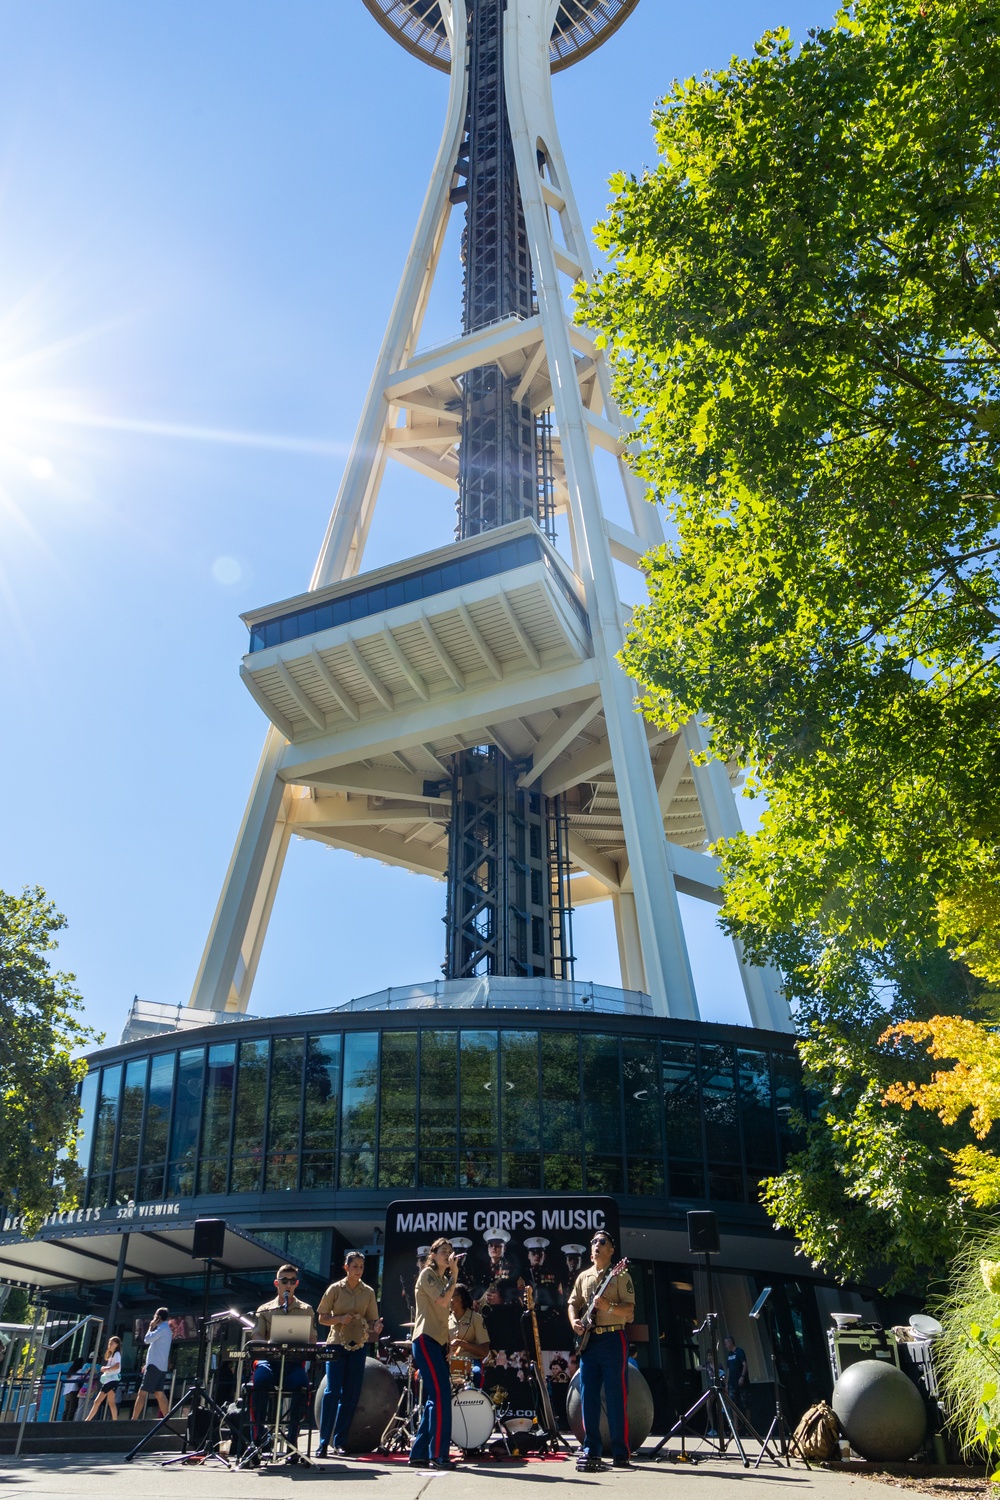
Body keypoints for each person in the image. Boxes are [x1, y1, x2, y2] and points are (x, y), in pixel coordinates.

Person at [568, 1232, 634, 1473]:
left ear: (612, 1250)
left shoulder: (620, 1275)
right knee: (589, 1396)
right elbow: (572, 1303)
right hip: (589, 1342)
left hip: (613, 1338)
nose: (596, 1245)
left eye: (602, 1242)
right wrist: (574, 1321)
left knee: (617, 1395)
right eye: (594, 1242)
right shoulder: (583, 1276)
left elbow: (630, 1312)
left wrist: (610, 1307)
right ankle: (591, 1448)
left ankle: (620, 1452)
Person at [316, 1252, 382, 1458]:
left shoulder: (368, 1292)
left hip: (358, 1345)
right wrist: (339, 1318)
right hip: (336, 1345)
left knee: (351, 1395)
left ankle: (340, 1441)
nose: (358, 1270)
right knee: (332, 1392)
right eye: (355, 1266)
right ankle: (323, 1442)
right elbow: (322, 1318)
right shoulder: (335, 1289)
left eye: (361, 1267)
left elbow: (372, 1320)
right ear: (346, 1267)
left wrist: (376, 1326)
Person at [250, 1263, 317, 1462]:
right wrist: (271, 1344)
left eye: (292, 1281)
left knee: (301, 1385)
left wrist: (301, 1345)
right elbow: (256, 1338)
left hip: (293, 1363)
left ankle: (292, 1441)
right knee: (259, 1384)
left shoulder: (306, 1309)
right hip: (269, 1362)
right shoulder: (264, 1309)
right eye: (284, 1281)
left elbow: (312, 1340)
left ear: (296, 1284)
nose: (288, 1284)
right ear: (276, 1283)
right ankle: (258, 1440)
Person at [409, 1235, 460, 1469]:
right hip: (425, 1339)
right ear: (433, 1255)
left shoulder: (442, 1278)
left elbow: (444, 1315)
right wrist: (455, 1275)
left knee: (434, 1398)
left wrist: (448, 1343)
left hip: (438, 1342)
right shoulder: (427, 1274)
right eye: (443, 1251)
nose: (448, 1254)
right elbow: (441, 1302)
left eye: (450, 1251)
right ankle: (439, 1455)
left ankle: (419, 1453)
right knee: (441, 1396)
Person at [132, 1307, 172, 1420]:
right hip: (161, 1366)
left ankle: (133, 1419)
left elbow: (147, 1339)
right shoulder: (167, 1329)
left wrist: (150, 1327)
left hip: (154, 1366)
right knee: (159, 1393)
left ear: (158, 1317)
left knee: (142, 1392)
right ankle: (166, 1418)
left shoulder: (160, 1329)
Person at [449, 1284, 489, 1389]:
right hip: (450, 1362)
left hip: (470, 1362)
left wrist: (462, 1344)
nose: (449, 1299)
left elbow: (484, 1351)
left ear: (461, 1298)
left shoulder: (476, 1319)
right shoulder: (445, 1320)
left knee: (476, 1373)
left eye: (451, 1296)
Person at [85, 1337, 123, 1421]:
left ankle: (88, 1420)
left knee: (97, 1401)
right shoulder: (112, 1355)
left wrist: (107, 1369)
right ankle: (115, 1420)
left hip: (110, 1381)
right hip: (111, 1380)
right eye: (109, 1343)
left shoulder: (116, 1354)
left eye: (112, 1343)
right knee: (111, 1402)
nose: (109, 1345)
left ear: (116, 1345)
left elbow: (117, 1366)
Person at [724, 1335, 750, 1415]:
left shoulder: (739, 1351)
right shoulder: (729, 1355)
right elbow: (728, 1369)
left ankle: (748, 1423)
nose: (725, 1346)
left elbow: (745, 1364)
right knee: (733, 1404)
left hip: (741, 1382)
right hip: (732, 1383)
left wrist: (742, 1377)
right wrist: (727, 1383)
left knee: (746, 1404)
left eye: (726, 1343)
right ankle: (735, 1425)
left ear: (730, 1343)